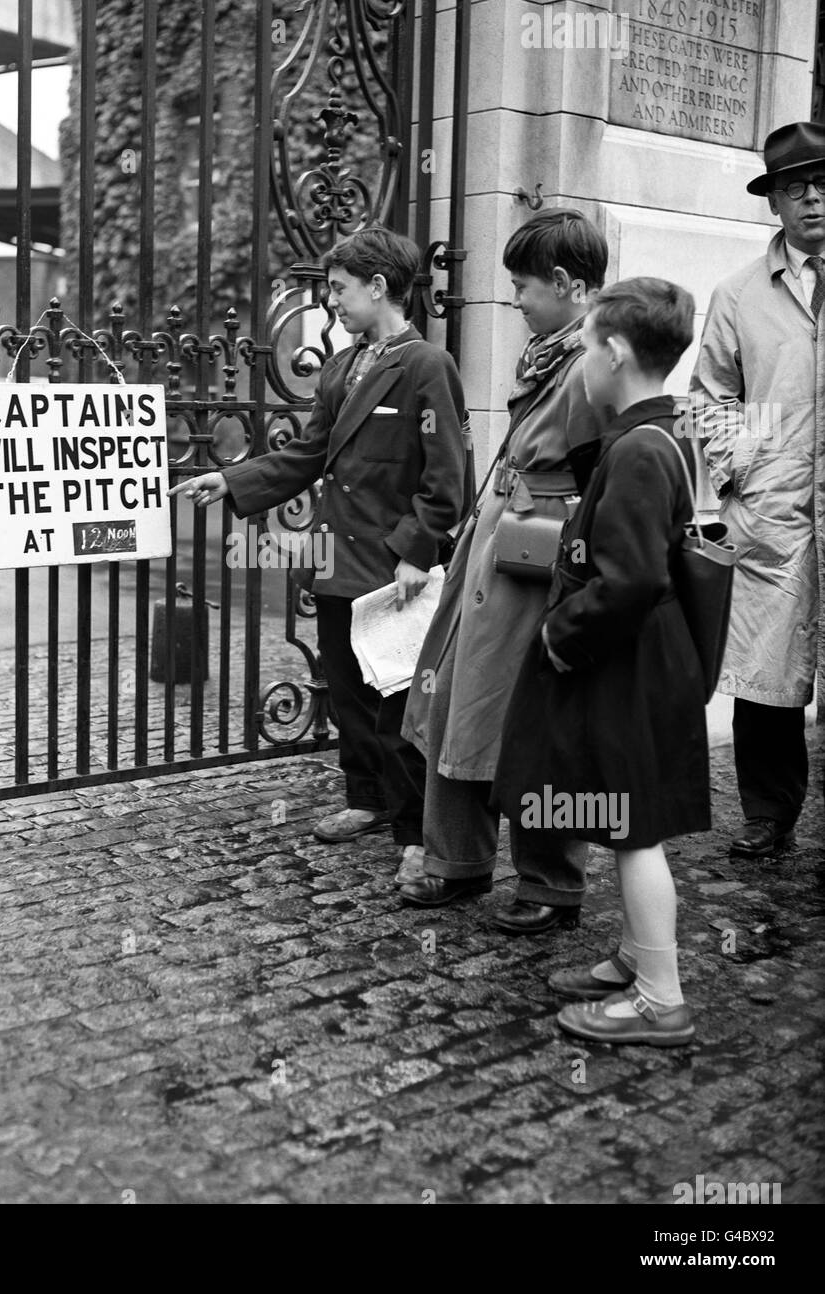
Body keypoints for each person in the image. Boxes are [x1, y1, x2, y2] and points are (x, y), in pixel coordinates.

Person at [170, 226, 470, 880]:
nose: (332, 301)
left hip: (395, 570)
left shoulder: (426, 366)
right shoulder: (340, 367)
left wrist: (418, 552)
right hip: (338, 561)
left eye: (339, 289)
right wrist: (232, 480)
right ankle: (364, 799)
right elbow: (309, 455)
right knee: (347, 694)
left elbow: (448, 478)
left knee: (397, 704)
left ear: (379, 286)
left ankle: (416, 835)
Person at [493, 278, 704, 1045]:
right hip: (639, 663)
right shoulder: (652, 437)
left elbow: (631, 579)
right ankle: (636, 957)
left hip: (627, 667)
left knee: (634, 829)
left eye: (584, 347)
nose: (580, 362)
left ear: (613, 352)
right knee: (623, 824)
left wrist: (557, 634)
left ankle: (659, 1000)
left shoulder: (642, 450)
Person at [401, 208, 609, 934]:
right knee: (459, 697)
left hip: (542, 566)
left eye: (522, 284)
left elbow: (614, 480)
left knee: (538, 722)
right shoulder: (550, 352)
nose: (514, 298)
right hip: (495, 551)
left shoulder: (597, 363)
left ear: (564, 283)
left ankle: (552, 884)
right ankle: (456, 861)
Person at [690, 120, 825, 859]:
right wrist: (750, 464)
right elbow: (708, 397)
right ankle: (768, 813)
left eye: (823, 183)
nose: (812, 198)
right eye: (794, 186)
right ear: (772, 201)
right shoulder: (739, 294)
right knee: (767, 675)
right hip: (774, 513)